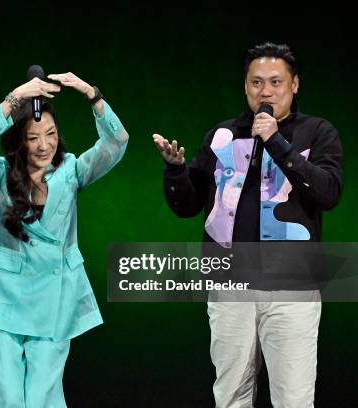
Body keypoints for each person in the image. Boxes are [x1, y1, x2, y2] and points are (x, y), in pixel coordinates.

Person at [151, 42, 343, 407]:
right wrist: (176, 171)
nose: (265, 92)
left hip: (292, 289)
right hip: (230, 286)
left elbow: (328, 192)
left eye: (275, 82)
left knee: (294, 398)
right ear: (245, 86)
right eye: (256, 83)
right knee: (231, 395)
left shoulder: (317, 132)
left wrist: (276, 142)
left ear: (295, 85)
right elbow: (189, 205)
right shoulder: (222, 135)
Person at [0, 71, 128, 407]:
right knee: (4, 398)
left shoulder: (71, 171)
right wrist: (13, 99)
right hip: (2, 300)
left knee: (42, 398)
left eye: (51, 134)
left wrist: (92, 95)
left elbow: (116, 142)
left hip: (55, 301)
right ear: (18, 140)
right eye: (33, 137)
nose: (44, 145)